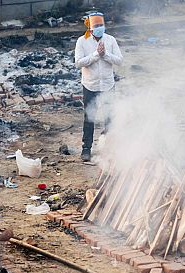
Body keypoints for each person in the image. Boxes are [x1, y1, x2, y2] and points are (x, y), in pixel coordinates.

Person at [74, 12, 123, 162]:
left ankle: (109, 148)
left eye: (101, 24)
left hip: (108, 84)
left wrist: (105, 55)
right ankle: (86, 149)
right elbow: (78, 63)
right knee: (89, 118)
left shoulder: (110, 40)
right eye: (96, 25)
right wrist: (96, 55)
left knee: (109, 117)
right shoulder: (82, 41)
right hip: (90, 85)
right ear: (89, 27)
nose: (99, 27)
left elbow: (119, 60)